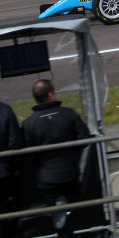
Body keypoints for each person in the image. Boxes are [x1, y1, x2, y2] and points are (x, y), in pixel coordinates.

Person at [21, 80, 90, 238]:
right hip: (70, 172)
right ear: (51, 94)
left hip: (47, 177)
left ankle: (63, 221)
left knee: (57, 212)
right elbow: (84, 138)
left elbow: (27, 153)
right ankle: (66, 222)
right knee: (72, 205)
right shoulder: (69, 113)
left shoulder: (29, 123)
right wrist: (71, 153)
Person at [0, 101, 23, 238]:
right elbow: (15, 143)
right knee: (8, 217)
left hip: (5, 172)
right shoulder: (5, 110)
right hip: (4, 174)